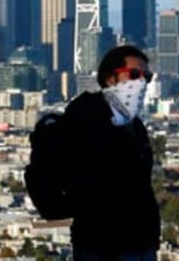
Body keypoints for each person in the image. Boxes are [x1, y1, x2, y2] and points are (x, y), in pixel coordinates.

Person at [63, 45, 161, 260]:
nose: (142, 82)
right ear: (110, 79)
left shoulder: (135, 126)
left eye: (148, 76)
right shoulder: (87, 119)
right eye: (135, 74)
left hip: (140, 241)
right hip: (103, 245)